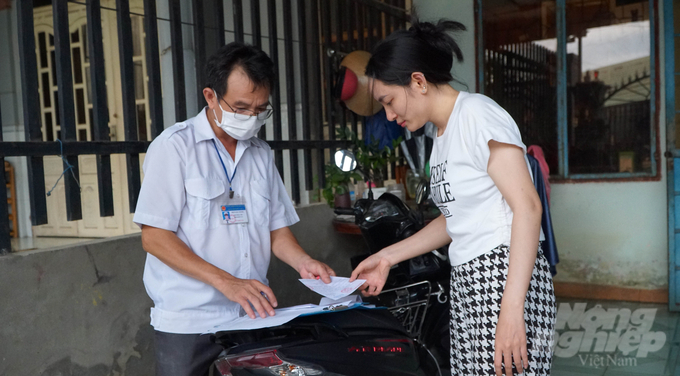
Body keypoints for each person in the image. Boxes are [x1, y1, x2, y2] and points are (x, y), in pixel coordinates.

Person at [349, 19, 556, 376]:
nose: (390, 114)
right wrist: (386, 257)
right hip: (470, 283)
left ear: (418, 81)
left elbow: (528, 206)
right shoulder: (441, 136)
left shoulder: (478, 114)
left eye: (389, 101)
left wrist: (511, 310)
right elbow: (456, 219)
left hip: (505, 279)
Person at [133, 42, 336, 376]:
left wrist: (305, 262)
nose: (250, 118)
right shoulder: (175, 147)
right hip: (190, 322)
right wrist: (227, 282)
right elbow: (154, 237)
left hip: (250, 317)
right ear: (211, 97)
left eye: (260, 110)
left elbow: (276, 230)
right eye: (241, 108)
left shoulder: (260, 153)